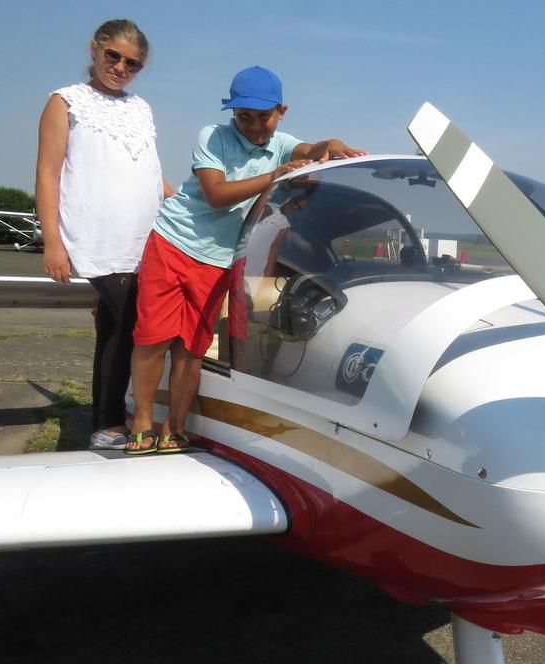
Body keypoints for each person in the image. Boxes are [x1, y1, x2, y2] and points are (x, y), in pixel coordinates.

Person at [125, 66, 364, 454]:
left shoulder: (282, 143)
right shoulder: (213, 137)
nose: (254, 126)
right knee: (153, 338)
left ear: (282, 111)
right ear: (231, 114)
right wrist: (275, 176)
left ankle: (176, 425)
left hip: (217, 260)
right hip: (173, 243)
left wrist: (331, 144)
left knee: (191, 346)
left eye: (263, 117)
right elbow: (216, 194)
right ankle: (141, 419)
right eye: (243, 116)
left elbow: (313, 150)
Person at [35, 19, 171, 450]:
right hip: (96, 236)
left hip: (143, 237)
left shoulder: (141, 108)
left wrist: (194, 200)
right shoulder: (66, 101)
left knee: (116, 328)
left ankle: (107, 419)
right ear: (94, 49)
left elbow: (152, 174)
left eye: (132, 63)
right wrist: (52, 241)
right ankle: (113, 419)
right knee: (131, 324)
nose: (120, 67)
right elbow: (48, 172)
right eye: (113, 55)